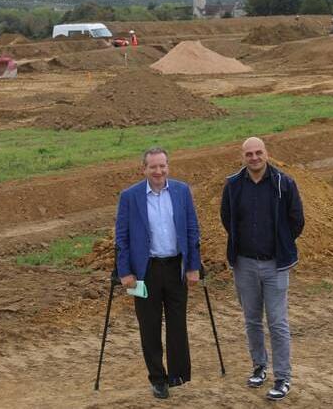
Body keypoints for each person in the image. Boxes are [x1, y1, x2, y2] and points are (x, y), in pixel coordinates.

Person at [220, 137, 304, 401]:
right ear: (242, 157)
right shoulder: (233, 185)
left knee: (277, 322)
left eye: (258, 153)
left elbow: (296, 221)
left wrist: (280, 242)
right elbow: (227, 218)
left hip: (275, 265)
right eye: (249, 154)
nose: (254, 158)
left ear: (267, 154)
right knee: (252, 320)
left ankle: (282, 377)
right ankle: (259, 366)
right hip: (244, 263)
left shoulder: (284, 183)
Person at [115, 147, 202, 399]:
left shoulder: (181, 191)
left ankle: (177, 374)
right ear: (144, 169)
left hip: (176, 268)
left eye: (162, 166)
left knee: (177, 323)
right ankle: (157, 378)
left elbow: (192, 229)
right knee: (149, 326)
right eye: (153, 167)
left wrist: (193, 266)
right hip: (144, 271)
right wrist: (125, 272)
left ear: (168, 167)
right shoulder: (130, 196)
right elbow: (121, 237)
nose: (158, 171)